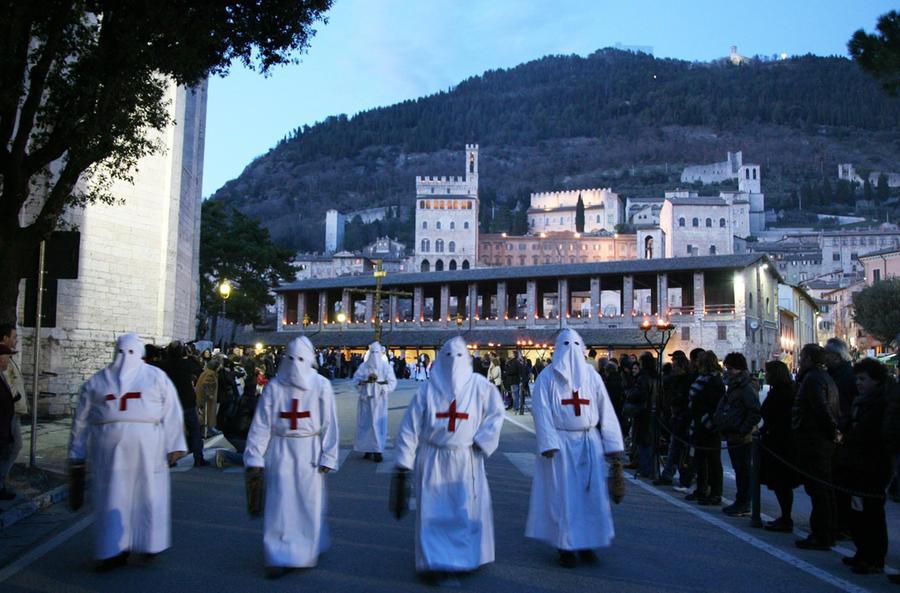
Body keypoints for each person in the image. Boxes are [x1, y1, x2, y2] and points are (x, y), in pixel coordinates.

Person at [68, 334, 186, 570]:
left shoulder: (98, 380)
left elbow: (80, 421)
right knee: (142, 492)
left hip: (111, 445)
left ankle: (118, 547)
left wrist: (77, 454)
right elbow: (172, 409)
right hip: (144, 444)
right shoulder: (155, 376)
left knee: (118, 495)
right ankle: (139, 543)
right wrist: (175, 444)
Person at [393, 336, 504, 583]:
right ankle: (433, 561)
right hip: (434, 457)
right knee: (434, 512)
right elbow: (410, 428)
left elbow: (496, 414)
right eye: (449, 357)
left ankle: (463, 558)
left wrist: (483, 440)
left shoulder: (479, 386)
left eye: (459, 357)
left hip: (467, 456)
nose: (454, 364)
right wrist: (403, 465)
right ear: (441, 359)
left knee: (464, 510)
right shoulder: (427, 389)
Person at [526, 329, 625, 568]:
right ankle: (566, 545)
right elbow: (541, 411)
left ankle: (588, 543)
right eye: (566, 344)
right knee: (564, 497)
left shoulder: (592, 376)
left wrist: (613, 446)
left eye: (574, 344)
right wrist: (548, 442)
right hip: (561, 445)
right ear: (559, 348)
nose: (570, 351)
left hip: (589, 442)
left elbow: (606, 410)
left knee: (591, 496)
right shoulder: (547, 378)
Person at [243, 336, 339, 577]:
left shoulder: (321, 385)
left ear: (310, 361)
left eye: (302, 359)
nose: (296, 365)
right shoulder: (275, 387)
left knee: (308, 502)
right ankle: (278, 553)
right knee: (280, 502)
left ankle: (304, 551)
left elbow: (329, 423)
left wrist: (329, 455)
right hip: (282, 449)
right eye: (292, 359)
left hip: (309, 450)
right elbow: (262, 424)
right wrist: (254, 458)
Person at [837, 359, 893, 574]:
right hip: (857, 462)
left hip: (872, 464)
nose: (859, 383)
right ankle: (862, 552)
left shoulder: (881, 402)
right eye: (857, 379)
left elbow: (874, 434)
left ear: (876, 380)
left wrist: (852, 431)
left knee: (872, 513)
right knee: (857, 511)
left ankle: (874, 557)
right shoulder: (863, 400)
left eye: (863, 379)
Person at [793, 343, 840, 551]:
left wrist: (831, 433)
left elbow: (821, 409)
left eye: (802, 358)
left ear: (810, 359)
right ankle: (826, 532)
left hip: (815, 441)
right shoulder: (826, 377)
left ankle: (821, 534)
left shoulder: (812, 379)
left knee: (818, 491)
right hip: (822, 440)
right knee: (823, 490)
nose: (800, 361)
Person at [718, 352, 761, 517]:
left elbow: (754, 411)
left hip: (743, 436)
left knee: (743, 471)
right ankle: (741, 501)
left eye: (729, 368)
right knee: (739, 469)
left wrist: (743, 429)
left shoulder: (745, 386)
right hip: (734, 434)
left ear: (738, 369)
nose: (727, 371)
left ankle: (744, 503)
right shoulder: (735, 385)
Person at [758, 360, 800, 532]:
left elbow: (777, 417)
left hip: (781, 442)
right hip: (778, 440)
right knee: (781, 483)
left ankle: (786, 517)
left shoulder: (783, 394)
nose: (765, 375)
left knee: (782, 482)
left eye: (767, 373)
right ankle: (784, 516)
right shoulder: (782, 391)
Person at [687, 351, 725, 506]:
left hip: (708, 425)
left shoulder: (714, 381)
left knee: (713, 461)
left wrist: (705, 418)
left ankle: (715, 493)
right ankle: (702, 489)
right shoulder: (703, 379)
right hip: (699, 424)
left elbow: (714, 404)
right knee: (700, 459)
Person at [353, 341, 397, 462]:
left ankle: (377, 449)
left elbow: (392, 382)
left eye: (377, 352)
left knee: (377, 424)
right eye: (372, 352)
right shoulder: (363, 367)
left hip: (379, 401)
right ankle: (367, 448)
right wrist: (364, 384)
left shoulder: (386, 367)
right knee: (366, 424)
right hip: (366, 401)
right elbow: (355, 380)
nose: (374, 355)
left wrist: (383, 389)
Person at [655, 351, 693, 487]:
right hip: (675, 416)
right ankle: (670, 475)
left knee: (682, 450)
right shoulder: (675, 379)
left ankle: (683, 476)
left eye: (675, 363)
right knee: (675, 448)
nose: (673, 366)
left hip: (684, 418)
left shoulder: (687, 380)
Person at [0, 323, 25, 500]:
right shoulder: (3, 358)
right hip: (8, 413)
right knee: (12, 447)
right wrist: (14, 398)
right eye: (14, 336)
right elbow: (8, 385)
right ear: (5, 337)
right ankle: (1, 483)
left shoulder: (8, 357)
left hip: (12, 412)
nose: (16, 340)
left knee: (12, 447)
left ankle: (2, 482)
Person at [194, 357, 220, 438]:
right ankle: (206, 432)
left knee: (203, 416)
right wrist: (210, 394)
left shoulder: (205, 372)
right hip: (206, 400)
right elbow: (206, 384)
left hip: (202, 398)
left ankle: (206, 430)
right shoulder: (211, 374)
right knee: (206, 416)